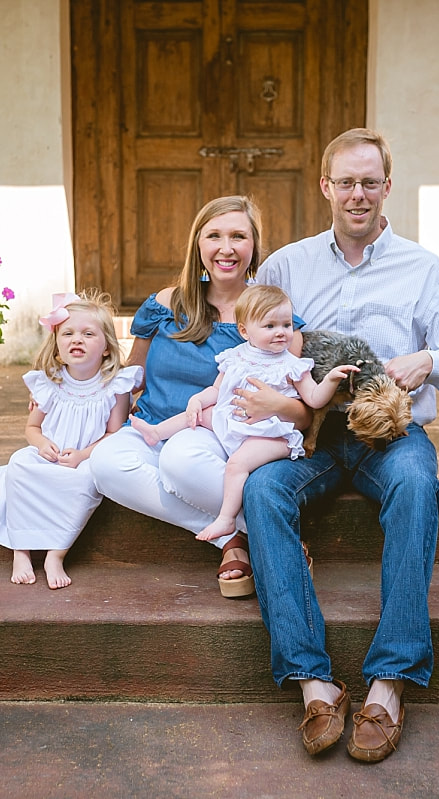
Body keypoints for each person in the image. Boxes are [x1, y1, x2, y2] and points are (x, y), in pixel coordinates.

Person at [239, 128, 439, 762]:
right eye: (345, 182)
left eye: (370, 182)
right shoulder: (286, 266)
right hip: (313, 434)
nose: (358, 194)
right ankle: (313, 682)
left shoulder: (423, 268)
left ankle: (388, 684)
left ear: (387, 186)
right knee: (262, 489)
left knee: (416, 482)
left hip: (391, 432)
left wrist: (428, 358)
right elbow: (248, 337)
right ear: (325, 186)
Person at [89, 196, 311, 598]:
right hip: (153, 423)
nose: (226, 248)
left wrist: (278, 407)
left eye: (238, 236)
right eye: (214, 235)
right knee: (105, 465)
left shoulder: (273, 317)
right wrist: (71, 403)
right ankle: (238, 538)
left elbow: (300, 406)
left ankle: (246, 537)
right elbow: (131, 376)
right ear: (198, 243)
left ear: (254, 247)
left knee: (181, 461)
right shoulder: (163, 305)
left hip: (214, 434)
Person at [129, 284, 357, 542]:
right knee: (200, 413)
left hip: (271, 435)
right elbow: (216, 390)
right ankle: (157, 432)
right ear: (244, 331)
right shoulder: (236, 356)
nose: (280, 333)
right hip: (236, 421)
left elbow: (314, 400)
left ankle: (226, 520)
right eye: (269, 326)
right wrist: (197, 399)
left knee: (238, 465)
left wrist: (330, 380)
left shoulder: (293, 366)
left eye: (285, 325)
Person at [0, 290, 142, 589]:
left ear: (106, 347)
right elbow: (32, 428)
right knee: (17, 465)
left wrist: (82, 456)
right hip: (49, 456)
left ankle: (56, 554)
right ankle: (20, 550)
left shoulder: (115, 385)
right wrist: (41, 445)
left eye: (88, 333)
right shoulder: (48, 383)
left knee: (85, 483)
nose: (76, 339)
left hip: (83, 460)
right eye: (68, 333)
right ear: (57, 347)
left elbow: (115, 433)